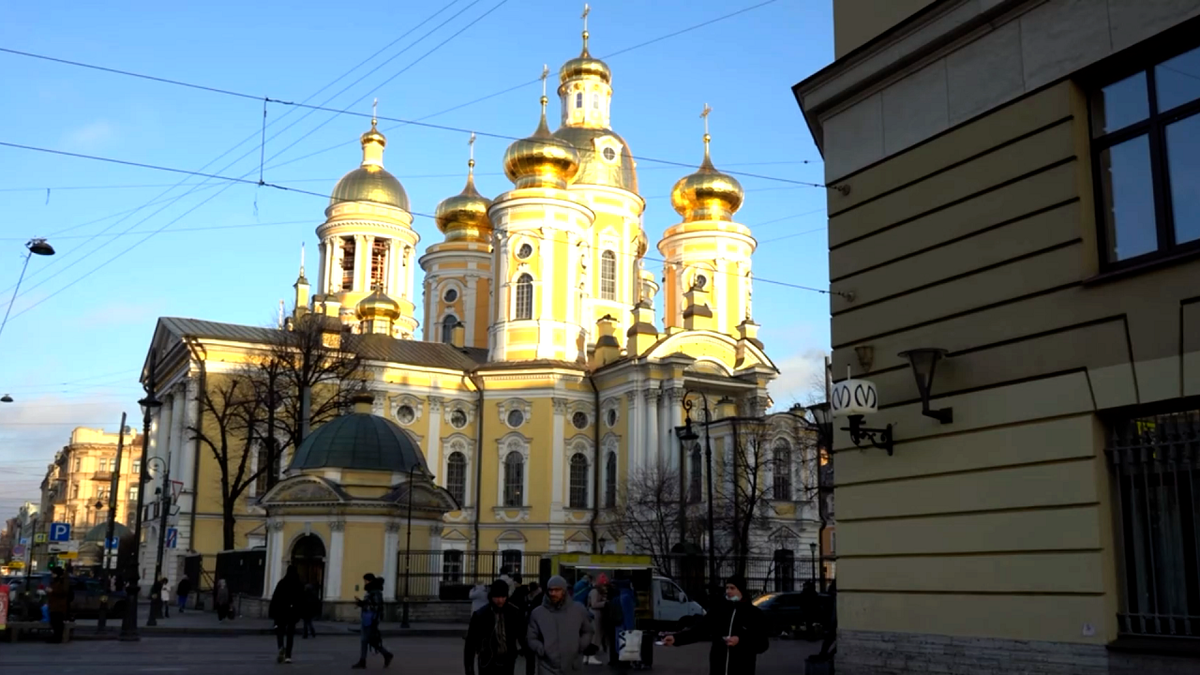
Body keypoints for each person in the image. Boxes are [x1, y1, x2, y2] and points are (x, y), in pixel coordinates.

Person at [662, 575, 769, 675]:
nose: (728, 591)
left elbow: (762, 643)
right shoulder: (718, 610)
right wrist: (676, 639)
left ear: (741, 590)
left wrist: (740, 640)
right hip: (718, 668)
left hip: (742, 669)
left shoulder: (755, 614)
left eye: (732, 588)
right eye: (727, 588)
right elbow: (700, 630)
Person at [527, 575, 594, 675]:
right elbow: (531, 637)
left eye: (557, 590)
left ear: (564, 590)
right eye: (550, 590)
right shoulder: (538, 613)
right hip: (547, 666)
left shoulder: (578, 610)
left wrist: (580, 646)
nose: (553, 593)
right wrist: (541, 649)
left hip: (573, 665)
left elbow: (588, 631)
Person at [465, 579, 526, 675]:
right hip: (487, 662)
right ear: (491, 596)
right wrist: (469, 669)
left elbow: (523, 637)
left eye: (503, 596)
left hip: (507, 662)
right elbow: (470, 644)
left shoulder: (514, 613)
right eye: (497, 597)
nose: (500, 600)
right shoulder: (481, 615)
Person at [352, 573, 394, 669]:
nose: (365, 582)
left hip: (371, 619)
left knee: (368, 640)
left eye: (366, 580)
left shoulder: (375, 592)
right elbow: (370, 604)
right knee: (366, 640)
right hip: (368, 618)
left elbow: (377, 607)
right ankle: (364, 660)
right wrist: (361, 603)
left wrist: (363, 605)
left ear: (370, 580)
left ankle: (385, 654)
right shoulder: (371, 591)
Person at [269, 565, 304, 664]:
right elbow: (301, 601)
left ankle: (281, 647)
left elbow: (275, 598)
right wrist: (299, 613)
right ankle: (288, 656)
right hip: (292, 613)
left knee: (280, 632)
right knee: (290, 635)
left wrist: (272, 613)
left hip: (281, 612)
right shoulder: (299, 584)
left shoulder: (282, 583)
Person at [585, 574, 608, 665]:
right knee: (595, 637)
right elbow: (594, 604)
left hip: (593, 615)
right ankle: (591, 656)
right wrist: (605, 603)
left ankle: (586, 657)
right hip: (595, 615)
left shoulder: (593, 591)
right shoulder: (595, 592)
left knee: (593, 637)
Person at [522, 582, 543, 675]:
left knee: (530, 658)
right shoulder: (543, 597)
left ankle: (530, 672)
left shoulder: (527, 597)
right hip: (539, 629)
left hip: (529, 628)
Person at [47, 567, 70, 644]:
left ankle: (58, 637)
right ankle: (55, 637)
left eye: (53, 573)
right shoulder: (55, 581)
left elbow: (63, 592)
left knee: (58, 622)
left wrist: (52, 591)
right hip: (54, 605)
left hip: (59, 606)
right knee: (54, 622)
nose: (52, 575)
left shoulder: (62, 581)